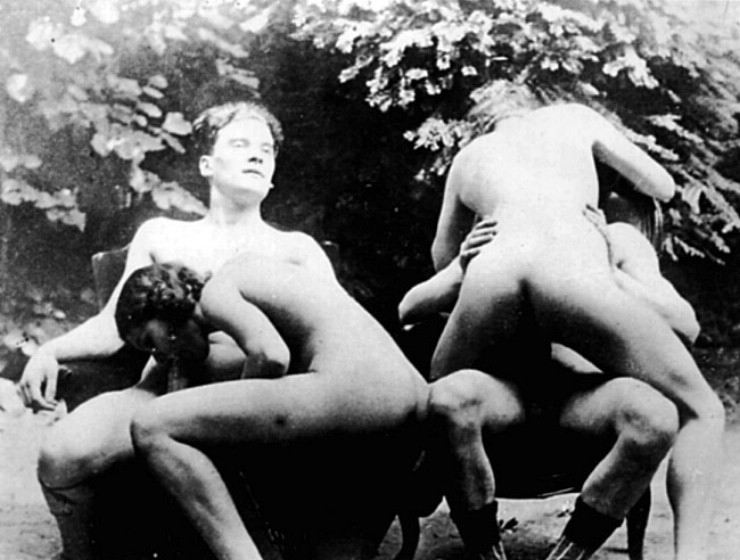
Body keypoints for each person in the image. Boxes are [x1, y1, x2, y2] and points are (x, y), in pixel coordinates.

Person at [17, 100, 336, 559]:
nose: (256, 155)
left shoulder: (296, 249)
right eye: (240, 144)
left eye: (266, 150)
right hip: (162, 389)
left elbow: (332, 340)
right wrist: (48, 351)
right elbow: (113, 325)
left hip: (262, 402)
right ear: (207, 164)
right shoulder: (163, 234)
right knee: (63, 453)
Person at [420, 97, 725, 560]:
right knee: (703, 410)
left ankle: (472, 534)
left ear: (489, 125)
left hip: (493, 265)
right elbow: (662, 187)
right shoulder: (574, 117)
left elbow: (441, 259)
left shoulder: (469, 156)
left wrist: (468, 256)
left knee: (440, 398)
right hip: (570, 263)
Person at [400, 213, 693, 560]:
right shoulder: (499, 232)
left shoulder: (616, 237)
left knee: (656, 417)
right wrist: (464, 270)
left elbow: (686, 323)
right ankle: (488, 556)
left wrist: (611, 273)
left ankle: (567, 557)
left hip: (584, 396)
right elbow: (409, 308)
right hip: (505, 394)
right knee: (449, 399)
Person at [113, 255, 429, 560]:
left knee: (151, 425)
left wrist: (232, 428)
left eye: (150, 340)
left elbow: (270, 355)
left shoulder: (215, 292)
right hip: (410, 402)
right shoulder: (252, 271)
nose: (160, 357)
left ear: (165, 302)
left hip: (362, 392)